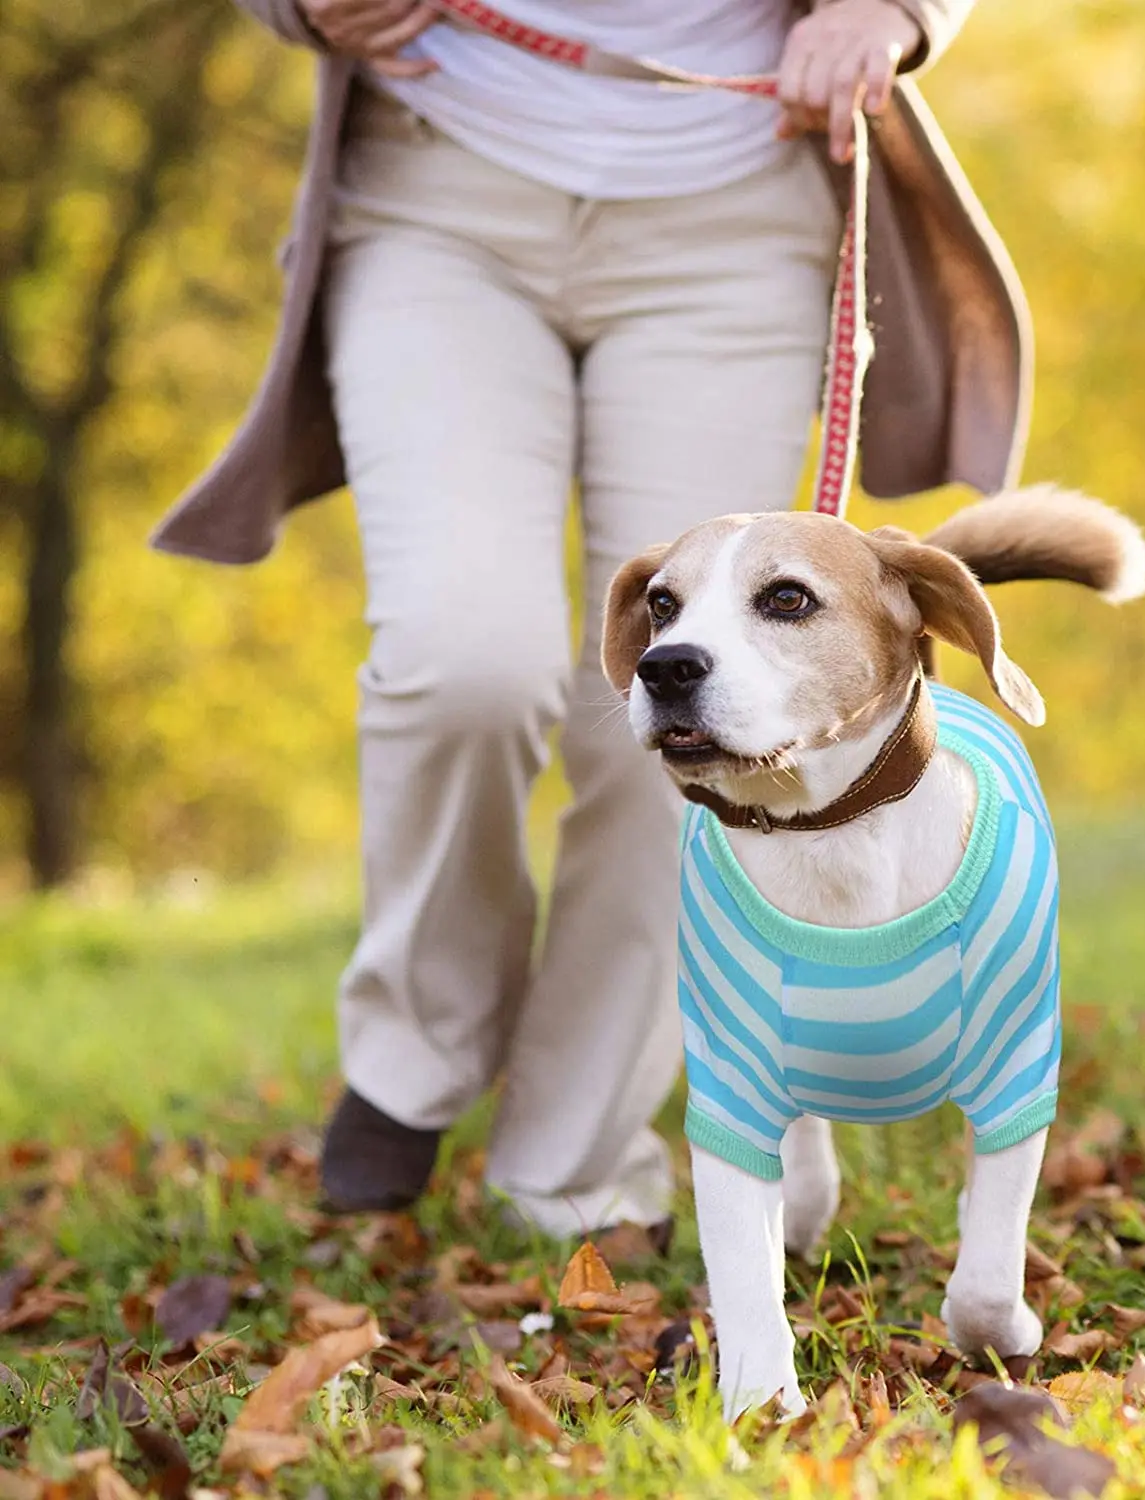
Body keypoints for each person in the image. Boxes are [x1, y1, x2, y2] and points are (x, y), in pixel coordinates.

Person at [154, 0, 1033, 1237]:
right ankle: (419, 1042)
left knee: (710, 718)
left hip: (734, 202)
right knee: (466, 660)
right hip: (436, 187)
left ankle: (570, 1164)